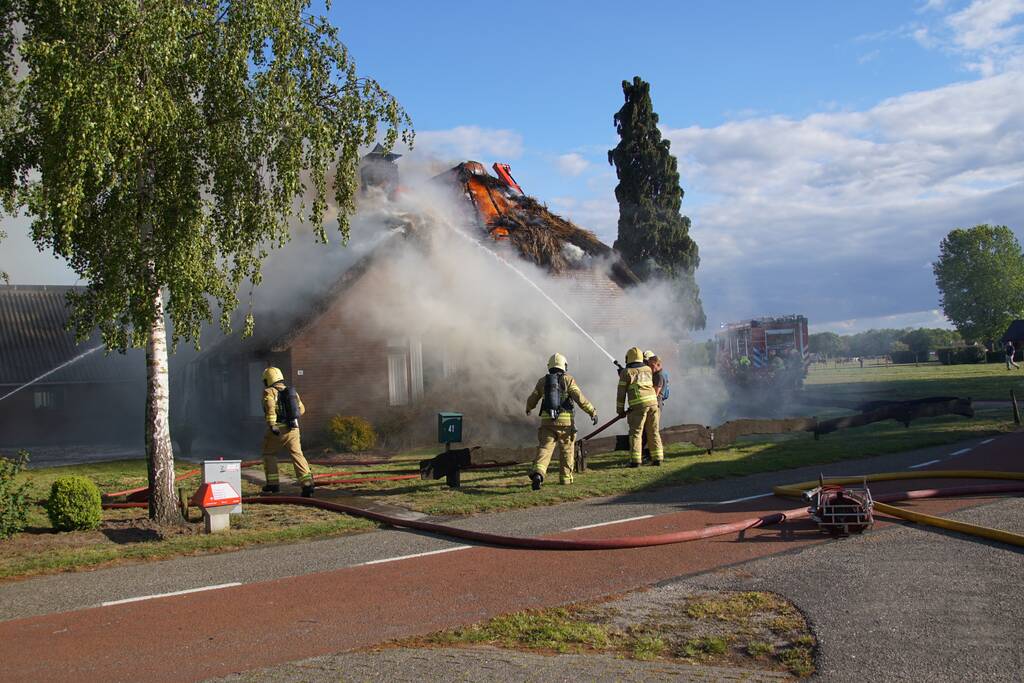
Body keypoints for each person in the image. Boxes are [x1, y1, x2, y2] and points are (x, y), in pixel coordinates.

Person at [525, 353, 598, 489]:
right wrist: (592, 411)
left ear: (549, 366)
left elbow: (533, 398)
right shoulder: (568, 380)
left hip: (547, 423)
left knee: (545, 449)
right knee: (567, 451)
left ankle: (538, 474)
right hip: (566, 424)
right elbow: (579, 398)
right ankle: (565, 479)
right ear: (564, 366)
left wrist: (528, 408)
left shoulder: (542, 381)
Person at [260, 367, 315, 497]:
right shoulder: (292, 392)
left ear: (268, 379)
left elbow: (270, 408)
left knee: (269, 453)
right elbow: (301, 410)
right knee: (297, 454)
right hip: (294, 429)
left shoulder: (269, 392)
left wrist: (272, 425)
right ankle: (307, 484)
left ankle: (273, 484)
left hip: (278, 430)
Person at [617, 347, 663, 467]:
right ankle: (658, 458)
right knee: (653, 432)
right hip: (653, 404)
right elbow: (638, 377)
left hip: (638, 406)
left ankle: (635, 461)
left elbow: (621, 393)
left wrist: (620, 411)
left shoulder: (626, 372)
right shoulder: (648, 369)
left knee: (636, 433)